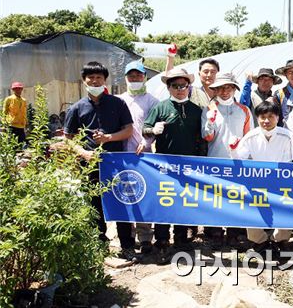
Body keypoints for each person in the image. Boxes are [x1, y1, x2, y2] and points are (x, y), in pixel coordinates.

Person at [63, 62, 133, 246]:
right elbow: (67, 138)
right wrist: (82, 152)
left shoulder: (118, 103)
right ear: (84, 81)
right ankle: (99, 243)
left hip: (116, 162)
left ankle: (127, 244)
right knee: (94, 202)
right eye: (91, 78)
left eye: (98, 78)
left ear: (105, 81)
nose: (95, 81)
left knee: (120, 201)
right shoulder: (76, 108)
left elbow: (128, 131)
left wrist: (109, 137)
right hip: (90, 163)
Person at [143, 67, 206, 264]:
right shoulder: (160, 108)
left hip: (189, 164)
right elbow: (145, 129)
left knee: (184, 201)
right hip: (164, 165)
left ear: (189, 87)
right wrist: (153, 129)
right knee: (165, 201)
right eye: (175, 86)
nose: (180, 89)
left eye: (183, 86)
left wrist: (200, 160)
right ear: (169, 88)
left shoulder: (197, 110)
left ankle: (181, 238)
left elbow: (202, 138)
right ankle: (161, 241)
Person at [229, 101, 293, 254]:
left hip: (282, 180)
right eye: (262, 117)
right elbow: (238, 160)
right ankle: (259, 241)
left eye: (271, 116)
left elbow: (291, 160)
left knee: (284, 209)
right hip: (257, 181)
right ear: (257, 118)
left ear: (278, 117)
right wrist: (232, 149)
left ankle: (281, 240)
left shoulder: (287, 135)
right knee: (250, 208)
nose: (266, 121)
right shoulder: (251, 136)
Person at [202, 73, 254, 244]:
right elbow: (207, 136)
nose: (225, 91)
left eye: (229, 87)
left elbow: (249, 137)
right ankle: (216, 231)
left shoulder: (244, 110)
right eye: (221, 88)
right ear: (215, 90)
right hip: (216, 159)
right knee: (217, 197)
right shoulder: (209, 109)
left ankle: (234, 232)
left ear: (234, 89)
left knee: (235, 197)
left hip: (237, 161)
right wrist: (210, 123)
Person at [117, 60, 159, 256]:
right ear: (126, 78)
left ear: (145, 78)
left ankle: (144, 237)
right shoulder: (119, 100)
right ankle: (128, 237)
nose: (135, 79)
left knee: (144, 195)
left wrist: (147, 141)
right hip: (122, 156)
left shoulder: (152, 101)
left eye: (138, 76)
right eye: (131, 76)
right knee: (125, 195)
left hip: (144, 156)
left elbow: (155, 126)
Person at [164, 44, 219, 109]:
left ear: (218, 73)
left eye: (213, 72)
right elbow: (172, 77)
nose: (209, 75)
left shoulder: (223, 93)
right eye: (206, 72)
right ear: (199, 74)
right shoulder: (192, 91)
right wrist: (170, 57)